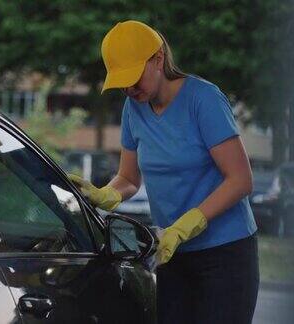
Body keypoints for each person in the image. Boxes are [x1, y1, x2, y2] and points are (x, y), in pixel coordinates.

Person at [69, 20, 259, 323]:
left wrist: (188, 224)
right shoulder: (133, 109)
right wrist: (106, 193)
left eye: (134, 77)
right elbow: (129, 179)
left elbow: (240, 180)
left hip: (225, 255)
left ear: (158, 59)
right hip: (171, 253)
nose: (130, 89)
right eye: (123, 81)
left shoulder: (204, 99)